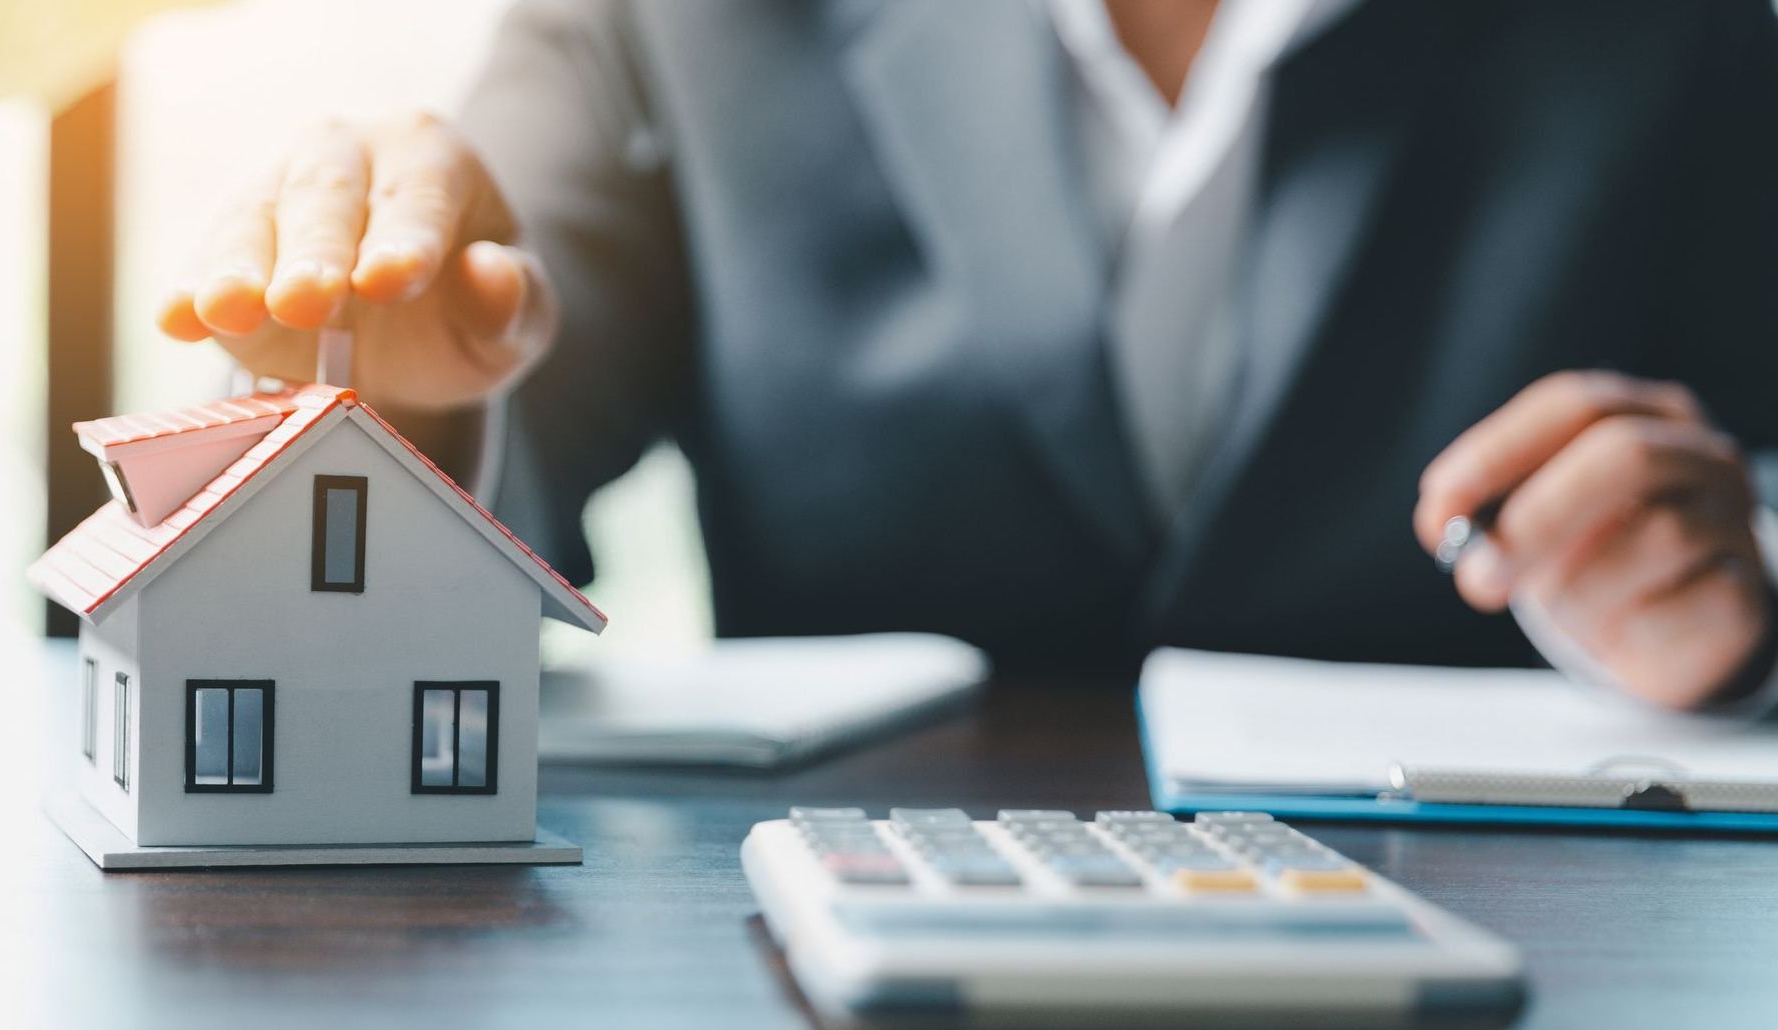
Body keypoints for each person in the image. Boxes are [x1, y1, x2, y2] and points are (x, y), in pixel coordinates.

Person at [156, 0, 1778, 709]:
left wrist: (1735, 600)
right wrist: (407, 388)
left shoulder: (1674, 22)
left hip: (1537, 994)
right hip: (832, 978)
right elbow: (475, 360)